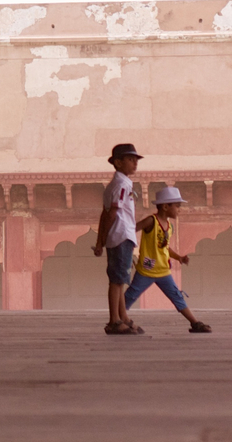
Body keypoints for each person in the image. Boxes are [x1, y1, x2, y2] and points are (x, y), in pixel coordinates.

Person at [126, 185, 213, 333]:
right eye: (177, 206)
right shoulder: (151, 221)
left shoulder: (169, 226)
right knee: (131, 296)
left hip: (163, 270)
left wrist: (179, 257)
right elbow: (131, 229)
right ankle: (119, 319)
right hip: (147, 269)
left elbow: (164, 248)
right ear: (166, 206)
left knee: (176, 296)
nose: (179, 209)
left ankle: (195, 323)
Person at [92, 142, 142, 334]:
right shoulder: (121, 184)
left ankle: (123, 318)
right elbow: (111, 213)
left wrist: (101, 240)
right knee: (117, 281)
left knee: (120, 279)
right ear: (118, 163)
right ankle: (114, 320)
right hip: (121, 234)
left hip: (119, 235)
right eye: (130, 160)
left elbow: (104, 214)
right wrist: (102, 239)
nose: (134, 163)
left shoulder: (118, 183)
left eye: (135, 160)